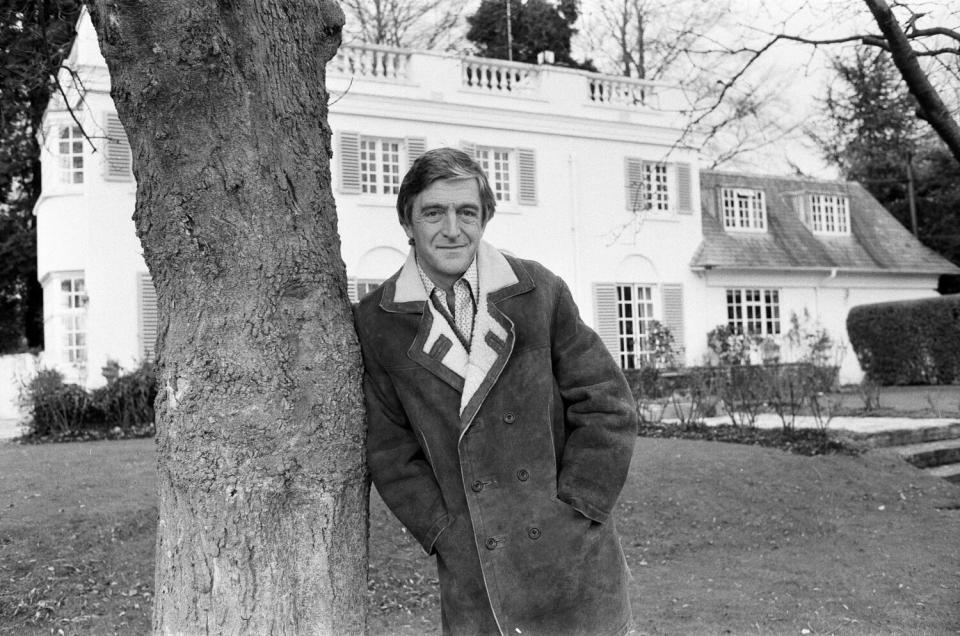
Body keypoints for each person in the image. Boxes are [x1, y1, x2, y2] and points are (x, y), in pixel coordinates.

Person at [353, 147, 637, 636]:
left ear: (485, 218)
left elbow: (607, 403)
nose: (452, 229)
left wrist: (580, 505)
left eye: (467, 212)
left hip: (576, 559)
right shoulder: (378, 321)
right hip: (477, 568)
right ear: (407, 223)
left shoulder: (538, 292)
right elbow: (389, 449)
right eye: (433, 212)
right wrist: (445, 532)